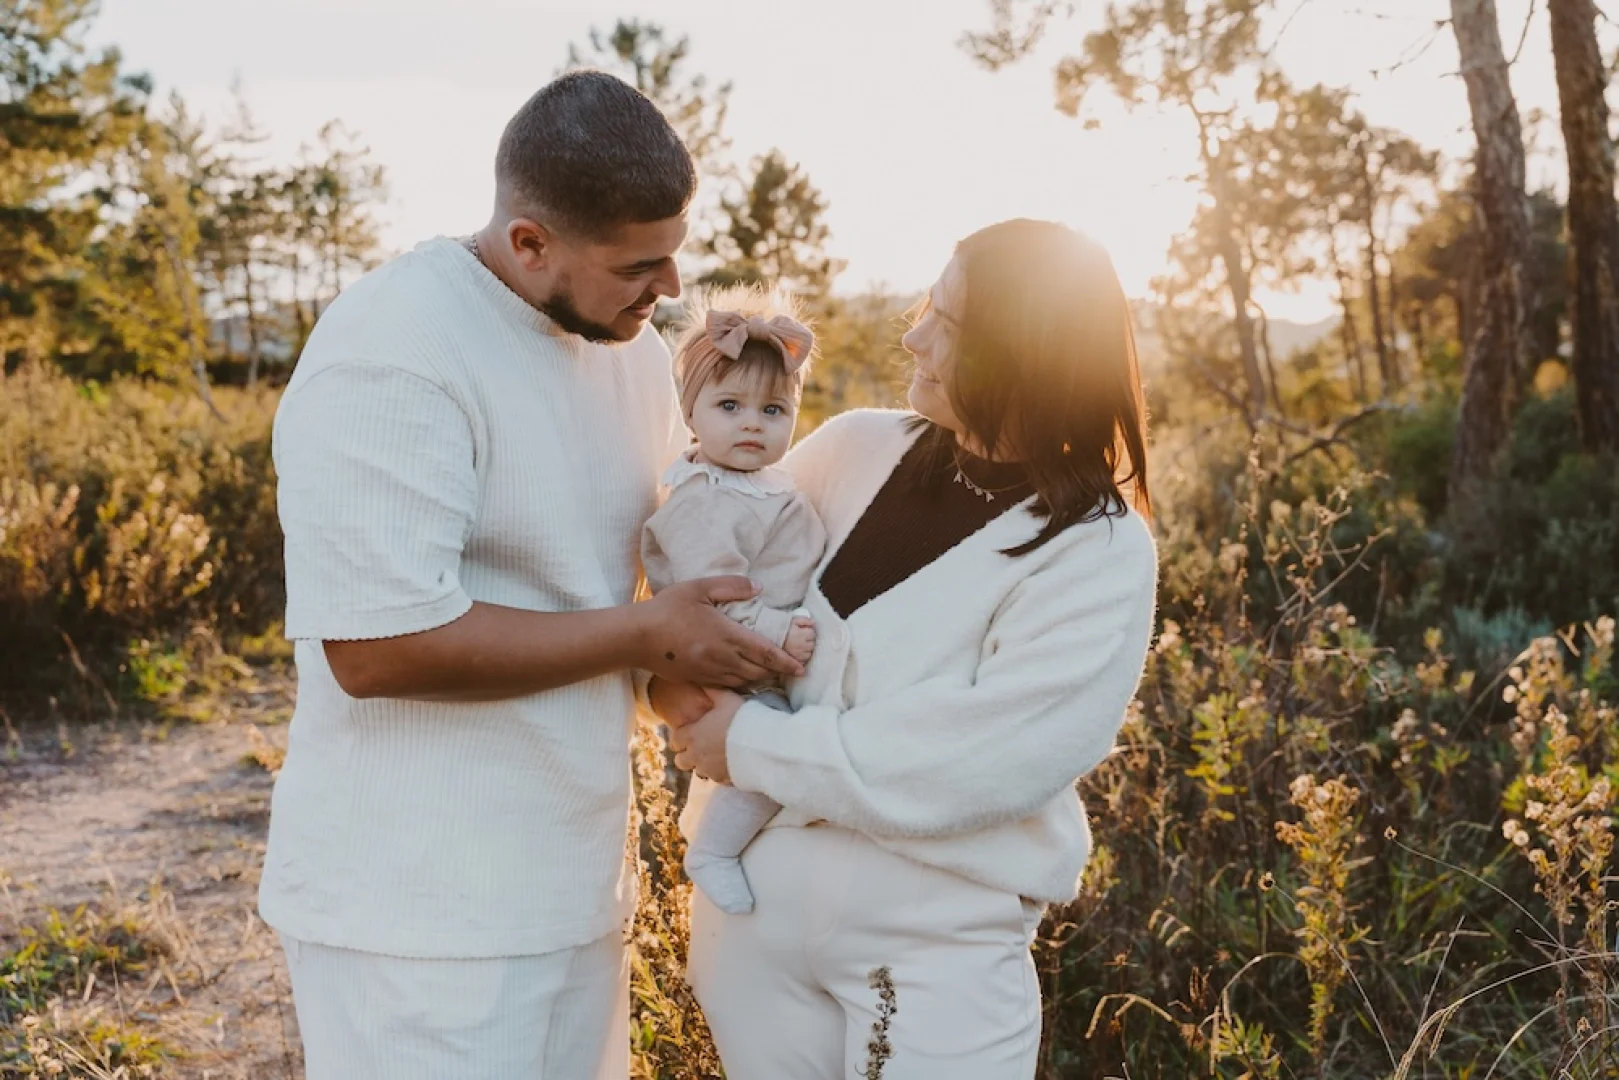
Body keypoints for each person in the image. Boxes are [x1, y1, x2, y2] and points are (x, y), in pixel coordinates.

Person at [259, 71, 800, 1080]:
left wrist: (686, 675)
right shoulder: (393, 351)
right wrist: (648, 637)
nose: (670, 285)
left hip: (570, 888)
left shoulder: (630, 351)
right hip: (419, 920)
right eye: (637, 264)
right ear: (528, 242)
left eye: (674, 249)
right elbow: (376, 649)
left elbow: (611, 585)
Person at [653, 219, 1160, 1079]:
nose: (912, 337)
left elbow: (991, 755)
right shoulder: (853, 448)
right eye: (926, 307)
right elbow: (702, 582)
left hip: (933, 937)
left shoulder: (1095, 548)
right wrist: (672, 687)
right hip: (750, 920)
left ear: (1022, 356)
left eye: (947, 323)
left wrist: (748, 743)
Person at [641, 286, 828, 915]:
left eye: (773, 410)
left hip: (759, 649)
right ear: (690, 414)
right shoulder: (704, 498)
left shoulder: (756, 485)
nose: (753, 423)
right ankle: (714, 850)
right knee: (774, 752)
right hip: (734, 658)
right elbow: (710, 600)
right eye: (730, 406)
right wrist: (776, 632)